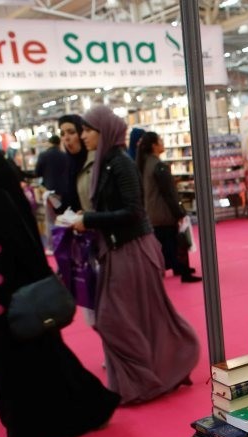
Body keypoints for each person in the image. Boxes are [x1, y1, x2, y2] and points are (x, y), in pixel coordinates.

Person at [0, 136, 119, 437]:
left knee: (9, 370)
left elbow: (0, 251)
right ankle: (95, 407)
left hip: (12, 301)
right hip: (23, 297)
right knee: (48, 358)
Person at [73, 105, 200, 405]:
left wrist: (90, 220)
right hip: (118, 249)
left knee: (117, 318)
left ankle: (153, 375)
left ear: (104, 132)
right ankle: (147, 378)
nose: (83, 136)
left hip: (132, 249)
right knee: (137, 318)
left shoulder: (120, 163)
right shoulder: (105, 163)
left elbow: (132, 211)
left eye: (88, 130)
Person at [135, 130, 201, 282]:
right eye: (160, 141)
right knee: (178, 242)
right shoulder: (159, 166)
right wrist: (179, 213)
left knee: (164, 244)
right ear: (154, 145)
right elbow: (169, 193)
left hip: (152, 212)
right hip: (164, 213)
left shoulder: (144, 165)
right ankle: (184, 272)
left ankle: (177, 268)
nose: (163, 143)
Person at [57, 114, 88, 213]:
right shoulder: (66, 164)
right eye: (62, 134)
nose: (66, 138)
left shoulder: (94, 162)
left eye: (71, 132)